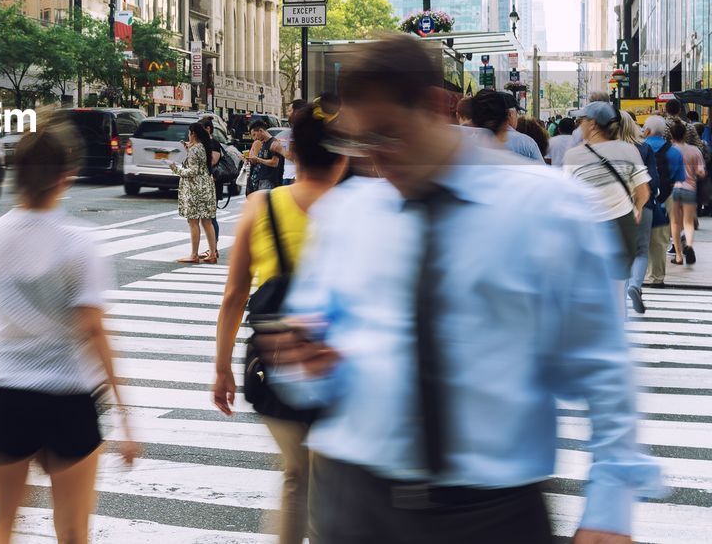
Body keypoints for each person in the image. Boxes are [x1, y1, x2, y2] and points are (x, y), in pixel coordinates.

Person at [257, 34, 662, 544]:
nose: (378, 158)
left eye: (389, 133)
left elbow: (602, 362)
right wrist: (302, 364)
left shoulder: (544, 208)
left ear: (434, 107)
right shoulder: (349, 213)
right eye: (363, 142)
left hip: (490, 513)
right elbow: (315, 368)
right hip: (355, 503)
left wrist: (610, 504)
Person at [0, 117, 140, 544]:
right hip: (69, 397)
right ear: (67, 176)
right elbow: (95, 332)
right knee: (73, 532)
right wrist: (126, 419)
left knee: (3, 526)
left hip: (7, 394)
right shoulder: (79, 245)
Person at [212, 102, 347, 544]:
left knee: (296, 477)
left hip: (273, 364)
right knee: (336, 483)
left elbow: (234, 296)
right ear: (344, 155)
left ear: (293, 153)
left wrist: (220, 368)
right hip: (344, 366)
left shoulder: (260, 206)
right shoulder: (363, 211)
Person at [563, 101, 650, 278]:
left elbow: (568, 198)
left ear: (593, 124)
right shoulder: (629, 150)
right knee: (619, 283)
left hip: (589, 227)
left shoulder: (573, 155)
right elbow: (643, 192)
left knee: (590, 282)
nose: (579, 125)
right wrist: (636, 210)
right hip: (624, 223)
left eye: (582, 121)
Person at [618, 112, 655, 314]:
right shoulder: (644, 148)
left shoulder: (607, 150)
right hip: (643, 203)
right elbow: (653, 180)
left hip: (616, 206)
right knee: (641, 251)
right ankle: (635, 285)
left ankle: (620, 296)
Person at [641, 115, 684, 288]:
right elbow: (680, 177)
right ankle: (656, 278)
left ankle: (637, 277)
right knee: (659, 241)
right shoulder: (674, 151)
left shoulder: (639, 149)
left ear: (648, 131)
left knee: (638, 238)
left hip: (642, 197)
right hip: (666, 197)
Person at [171, 122, 219, 263]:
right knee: (207, 221)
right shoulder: (203, 146)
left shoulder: (195, 149)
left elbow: (192, 171)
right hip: (206, 186)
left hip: (195, 188)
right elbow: (200, 165)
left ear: (193, 134)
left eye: (189, 133)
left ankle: (194, 255)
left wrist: (175, 169)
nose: (188, 135)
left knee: (193, 221)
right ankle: (212, 253)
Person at [668, 117, 705, 265]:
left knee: (675, 223)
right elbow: (701, 172)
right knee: (688, 222)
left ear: (671, 135)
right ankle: (689, 245)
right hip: (690, 188)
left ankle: (678, 256)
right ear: (685, 135)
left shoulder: (670, 151)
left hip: (674, 189)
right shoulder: (694, 150)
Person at [470, 89, 543, 162]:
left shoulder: (465, 145)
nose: (518, 116)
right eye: (517, 112)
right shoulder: (526, 142)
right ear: (509, 115)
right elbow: (541, 170)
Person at [197, 115, 225, 242]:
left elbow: (213, 161)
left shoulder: (213, 143)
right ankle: (212, 247)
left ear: (208, 129)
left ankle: (214, 247)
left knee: (211, 217)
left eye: (200, 129)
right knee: (205, 217)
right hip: (203, 183)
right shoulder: (201, 144)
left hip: (213, 183)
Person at [245, 119, 286, 192]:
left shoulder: (274, 143)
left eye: (254, 134)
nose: (254, 138)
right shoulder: (264, 143)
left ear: (260, 131)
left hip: (271, 181)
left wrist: (258, 159)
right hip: (262, 179)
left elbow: (274, 163)